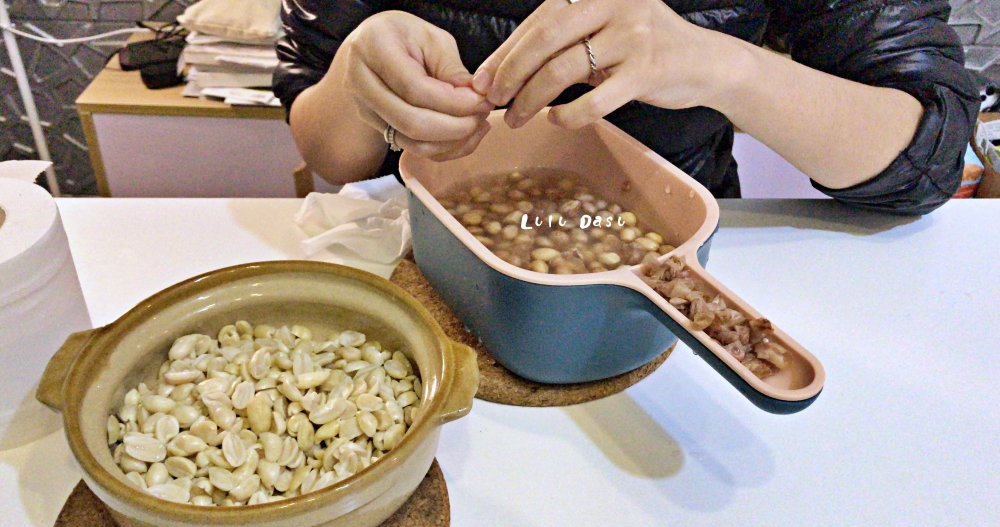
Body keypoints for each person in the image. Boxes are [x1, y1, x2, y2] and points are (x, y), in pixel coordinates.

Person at [274, 0, 979, 215]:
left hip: (678, 253)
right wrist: (357, 77)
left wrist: (724, 67)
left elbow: (929, 155)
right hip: (429, 252)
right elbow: (326, 149)